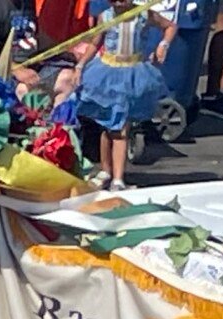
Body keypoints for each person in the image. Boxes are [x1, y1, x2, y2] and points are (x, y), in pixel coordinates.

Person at [73, 0, 175, 189]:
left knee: (121, 128)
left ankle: (118, 179)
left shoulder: (144, 14)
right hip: (107, 74)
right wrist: (80, 66)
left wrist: (163, 45)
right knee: (107, 125)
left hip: (132, 75)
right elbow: (95, 43)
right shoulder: (106, 16)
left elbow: (170, 27)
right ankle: (106, 170)